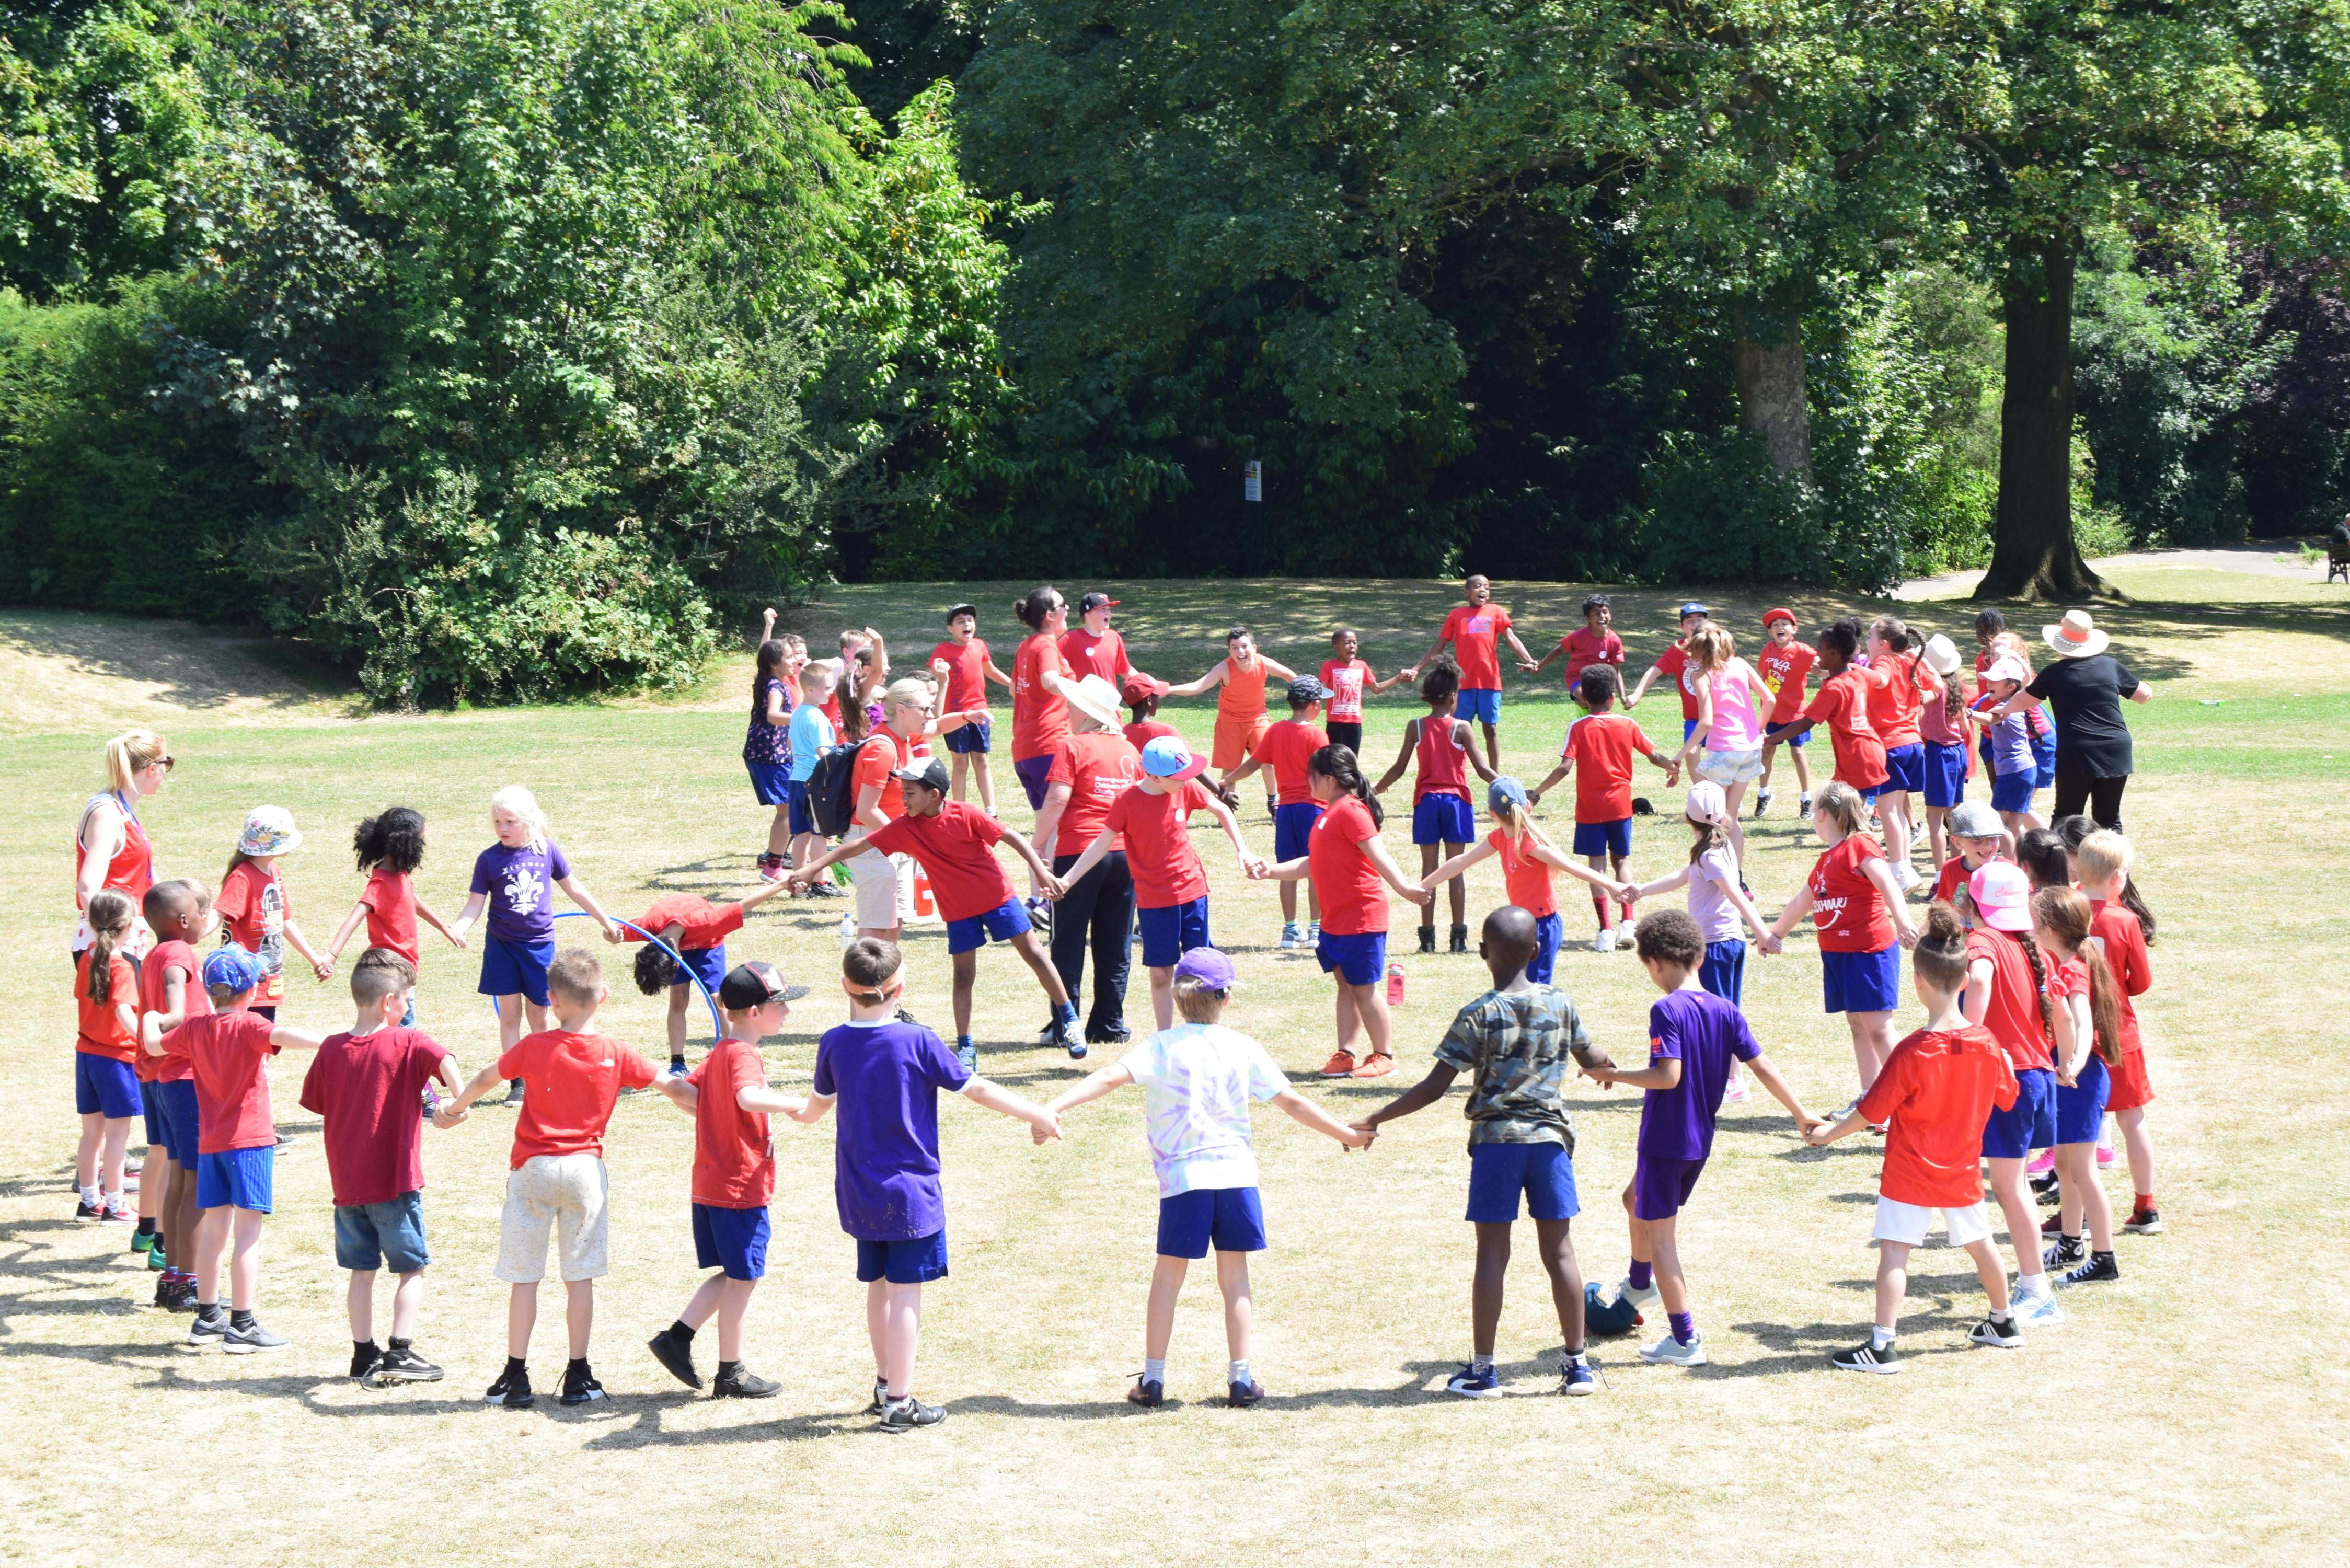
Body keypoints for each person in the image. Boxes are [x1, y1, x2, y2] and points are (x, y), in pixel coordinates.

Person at [1045, 948, 1372, 1409]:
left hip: (1185, 1181)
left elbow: (1107, 1077)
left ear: (1177, 999)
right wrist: (1347, 1135)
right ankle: (1241, 1380)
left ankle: (1153, 1381)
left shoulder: (1161, 1046)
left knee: (1168, 1279)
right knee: (1235, 1279)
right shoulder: (1243, 1047)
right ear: (1227, 998)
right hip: (1237, 1177)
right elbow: (1293, 1103)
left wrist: (1053, 1107)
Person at [802, 939, 1062, 1431]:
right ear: (900, 988)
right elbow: (976, 1088)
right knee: (906, 1292)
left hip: (858, 1190)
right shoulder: (919, 1040)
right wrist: (1038, 1113)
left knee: (879, 1286)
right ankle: (900, 1403)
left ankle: (886, 1385)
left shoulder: (833, 1042)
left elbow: (814, 1109)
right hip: (910, 1194)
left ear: (845, 988)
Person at [1349, 906, 1606, 1397]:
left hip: (1496, 1148)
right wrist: (1608, 1070)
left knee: (1492, 1254)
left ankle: (1484, 1372)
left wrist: (1377, 1117)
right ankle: (1578, 1366)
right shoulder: (1561, 1004)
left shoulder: (1478, 1014)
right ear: (1537, 951)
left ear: (1484, 952)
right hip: (1550, 1145)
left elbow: (1433, 1087)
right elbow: (1592, 1057)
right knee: (1561, 1252)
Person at [435, 949, 689, 1410]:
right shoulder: (616, 1052)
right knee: (580, 1277)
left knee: (524, 1277)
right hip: (585, 1171)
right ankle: (578, 1374)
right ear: (603, 995)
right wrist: (717, 1107)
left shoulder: (534, 1046)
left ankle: (515, 1375)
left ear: (551, 1000)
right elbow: (674, 1086)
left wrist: (453, 1109)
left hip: (533, 1168)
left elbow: (487, 1077)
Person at [1580, 910, 1818, 1369]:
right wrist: (1800, 1112)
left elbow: (1667, 1077)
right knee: (1633, 1199)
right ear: (1701, 957)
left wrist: (1612, 1074)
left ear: (1654, 963)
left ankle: (1685, 1339)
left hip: (1665, 1140)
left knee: (1662, 1240)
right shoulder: (1726, 1010)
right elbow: (1763, 1066)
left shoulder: (1666, 1009)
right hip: (1697, 1141)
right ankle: (1639, 1283)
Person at [1804, 904, 2024, 1373]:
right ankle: (2003, 1321)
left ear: (1918, 982)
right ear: (1965, 981)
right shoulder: (1987, 1044)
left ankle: (1883, 1345)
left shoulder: (1911, 1051)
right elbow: (2008, 1097)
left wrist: (1827, 1135)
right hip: (1963, 1167)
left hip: (1910, 1169)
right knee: (1981, 1242)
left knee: (1895, 1251)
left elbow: (1872, 1111)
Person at [793, 757, 1083, 1064]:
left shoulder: (966, 813)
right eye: (903, 792)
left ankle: (1070, 1020)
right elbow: (858, 846)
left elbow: (1012, 837)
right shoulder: (905, 827)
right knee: (963, 976)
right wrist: (813, 868)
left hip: (998, 897)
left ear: (934, 795)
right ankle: (966, 1046)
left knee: (1035, 955)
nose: (904, 799)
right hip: (958, 909)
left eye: (910, 793)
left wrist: (1042, 873)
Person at [647, 961, 825, 1401]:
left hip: (712, 1182)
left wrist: (715, 1112)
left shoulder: (722, 1051)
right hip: (739, 1186)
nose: (787, 1012)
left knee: (736, 1273)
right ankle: (731, 1372)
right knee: (744, 1278)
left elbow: (686, 1095)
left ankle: (678, 1338)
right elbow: (747, 1097)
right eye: (780, 1005)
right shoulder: (744, 1054)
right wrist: (796, 1104)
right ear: (754, 1012)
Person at [298, 949, 463, 1388]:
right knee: (412, 1268)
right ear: (389, 1001)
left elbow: (320, 1102)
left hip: (348, 1188)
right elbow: (446, 1060)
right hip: (395, 1184)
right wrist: (456, 1106)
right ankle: (400, 1352)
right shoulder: (406, 1040)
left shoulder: (331, 1048)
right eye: (406, 999)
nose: (408, 1008)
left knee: (362, 1271)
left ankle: (363, 1355)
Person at [1056, 736, 1265, 1032]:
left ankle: (1207, 1031)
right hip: (1155, 901)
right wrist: (1068, 879)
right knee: (1161, 974)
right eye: (1179, 776)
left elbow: (1222, 810)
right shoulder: (1127, 801)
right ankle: (1165, 1036)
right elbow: (1100, 845)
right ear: (1154, 777)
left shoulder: (1185, 788)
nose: (1186, 779)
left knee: (1202, 968)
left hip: (1193, 891)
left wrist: (1242, 850)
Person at [177, 946, 327, 1353]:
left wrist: (149, 1019)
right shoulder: (250, 1025)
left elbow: (156, 1046)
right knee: (247, 1234)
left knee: (215, 1231)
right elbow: (283, 1036)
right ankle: (242, 1325)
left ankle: (208, 1318)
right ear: (252, 990)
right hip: (250, 1142)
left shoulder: (195, 1028)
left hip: (210, 1145)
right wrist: (333, 1041)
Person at [1258, 745, 1433, 1079]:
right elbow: (1313, 863)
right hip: (1336, 919)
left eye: (1311, 776)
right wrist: (1271, 871)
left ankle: (1385, 1056)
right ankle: (1346, 1054)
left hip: (1361, 917)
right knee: (1346, 985)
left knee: (1363, 988)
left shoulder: (1352, 811)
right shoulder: (1327, 815)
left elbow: (1379, 855)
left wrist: (1404, 888)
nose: (1308, 782)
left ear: (1329, 778)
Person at [447, 787, 624, 1106]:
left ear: (528, 821)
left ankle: (542, 1076)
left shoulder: (547, 851)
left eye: (510, 822)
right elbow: (475, 903)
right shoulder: (488, 859)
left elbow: (574, 888)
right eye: (497, 822)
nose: (502, 828)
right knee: (509, 1017)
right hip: (501, 946)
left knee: (540, 1018)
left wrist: (606, 921)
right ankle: (518, 1082)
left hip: (539, 946)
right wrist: (459, 928)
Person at [1764, 782, 1920, 1103]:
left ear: (1822, 814)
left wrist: (1904, 923)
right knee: (1859, 1026)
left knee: (1879, 1028)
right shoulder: (1826, 860)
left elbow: (1888, 884)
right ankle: (1870, 1098)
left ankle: (1910, 1099)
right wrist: (1775, 934)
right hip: (1839, 954)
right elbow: (1801, 902)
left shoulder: (1860, 845)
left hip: (1868, 951)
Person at [1961, 860, 2065, 1327]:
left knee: (2009, 1188)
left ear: (1976, 905)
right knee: (2015, 1186)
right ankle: (2034, 1286)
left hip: (2009, 1080)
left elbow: (1981, 978)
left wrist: (1966, 1035)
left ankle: (2037, 1291)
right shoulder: (2032, 945)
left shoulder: (1983, 941)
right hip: (2036, 1075)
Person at [1623, 782, 1775, 1100]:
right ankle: (1730, 1080)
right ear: (1722, 815)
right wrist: (1642, 890)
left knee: (1719, 1017)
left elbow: (1738, 896)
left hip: (1717, 946)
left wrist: (1763, 933)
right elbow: (1683, 876)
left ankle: (1732, 1082)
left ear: (1687, 818)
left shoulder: (1711, 855)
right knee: (1726, 1012)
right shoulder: (1715, 850)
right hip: (1726, 943)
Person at [1421, 777, 1632, 986]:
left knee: (1536, 988)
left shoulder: (1529, 844)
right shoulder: (1499, 838)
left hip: (1543, 926)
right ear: (1527, 807)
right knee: (1518, 986)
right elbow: (1462, 861)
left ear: (1491, 812)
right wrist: (1424, 886)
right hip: (1520, 925)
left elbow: (1572, 867)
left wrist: (1612, 886)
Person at [1528, 664, 1677, 953]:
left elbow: (1564, 768)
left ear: (1584, 697)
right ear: (1612, 697)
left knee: (1597, 865)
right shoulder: (1627, 724)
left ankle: (1606, 930)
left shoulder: (1578, 727)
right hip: (1620, 806)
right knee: (1622, 861)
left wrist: (1536, 793)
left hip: (1589, 808)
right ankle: (1628, 923)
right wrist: (1672, 767)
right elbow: (1653, 755)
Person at [1032, 675, 1143, 1048]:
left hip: (1078, 851)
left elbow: (1057, 799)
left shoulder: (1073, 746)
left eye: (1072, 705)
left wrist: (1038, 843)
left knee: (1067, 940)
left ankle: (1067, 1023)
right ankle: (1109, 1023)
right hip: (1124, 855)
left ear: (1085, 712)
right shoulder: (1130, 750)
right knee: (1116, 941)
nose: (1067, 711)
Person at [832, 677, 983, 946]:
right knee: (875, 930)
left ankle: (888, 973)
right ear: (901, 710)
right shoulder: (882, 749)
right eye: (924, 709)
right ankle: (863, 974)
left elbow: (938, 727)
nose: (930, 715)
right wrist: (910, 840)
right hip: (871, 844)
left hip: (891, 842)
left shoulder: (904, 737)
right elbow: (867, 811)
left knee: (893, 926)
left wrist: (966, 717)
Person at [2032, 886, 2125, 1288]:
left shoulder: (2071, 970)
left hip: (2078, 1080)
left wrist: (2076, 1060)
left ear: (2049, 929)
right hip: (2069, 1076)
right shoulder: (2069, 961)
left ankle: (2104, 1259)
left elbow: (2081, 1021)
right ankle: (2070, 1243)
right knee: (2065, 1166)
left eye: (2034, 921)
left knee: (2084, 1171)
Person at [1372, 660, 1496, 955]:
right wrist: (1509, 787)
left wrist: (1372, 791)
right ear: (1453, 696)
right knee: (1456, 869)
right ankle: (1458, 940)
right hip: (1456, 802)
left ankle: (1426, 940)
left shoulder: (1415, 726)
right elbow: (1482, 770)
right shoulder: (1462, 727)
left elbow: (1399, 769)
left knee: (1429, 870)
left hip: (1427, 802)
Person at [1993, 610, 2150, 831]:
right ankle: (2113, 855)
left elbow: (2022, 701)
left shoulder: (2055, 673)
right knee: (2109, 819)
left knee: (2066, 816)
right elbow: (2143, 696)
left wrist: (2002, 710)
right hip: (2115, 749)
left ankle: (2060, 855)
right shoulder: (2110, 666)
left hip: (2077, 752)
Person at [2077, 830, 2160, 1235]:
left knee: (2079, 1131)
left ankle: (2080, 1213)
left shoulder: (2062, 913)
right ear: (2116, 878)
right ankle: (2146, 1207)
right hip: (2119, 1034)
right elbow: (2141, 982)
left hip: (2073, 1035)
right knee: (2133, 1121)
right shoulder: (2126, 920)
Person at [624, 878, 791, 1071]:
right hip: (673, 939)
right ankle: (677, 1063)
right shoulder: (646, 928)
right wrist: (612, 934)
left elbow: (744, 905)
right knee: (678, 999)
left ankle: (736, 1056)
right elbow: (612, 930)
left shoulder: (707, 921)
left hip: (707, 944)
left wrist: (783, 884)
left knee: (718, 1000)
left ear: (677, 962)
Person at [137, 879, 212, 1309]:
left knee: (179, 1180)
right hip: (186, 1078)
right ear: (184, 920)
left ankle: (172, 1278)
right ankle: (188, 1282)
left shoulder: (154, 954)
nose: (205, 919)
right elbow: (177, 1010)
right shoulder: (179, 953)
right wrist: (170, 1018)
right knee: (197, 1184)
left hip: (167, 1080)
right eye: (201, 913)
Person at [325, 808, 463, 1023]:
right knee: (405, 1029)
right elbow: (354, 918)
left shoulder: (400, 874)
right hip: (392, 971)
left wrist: (444, 928)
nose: (422, 845)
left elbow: (410, 899)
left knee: (399, 1029)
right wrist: (331, 956)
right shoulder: (380, 884)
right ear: (406, 842)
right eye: (420, 840)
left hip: (405, 968)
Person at [1223, 676, 1330, 948]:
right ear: (1315, 705)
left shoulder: (1275, 731)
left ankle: (1290, 929)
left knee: (1285, 870)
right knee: (1317, 868)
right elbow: (1329, 773)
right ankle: (1316, 929)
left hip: (1285, 812)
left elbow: (1253, 764)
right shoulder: (1317, 735)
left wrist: (1227, 781)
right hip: (1314, 809)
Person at [1408, 574, 1537, 769]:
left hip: (1490, 683)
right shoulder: (1457, 615)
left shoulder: (1496, 611)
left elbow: (1511, 638)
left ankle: (1494, 776)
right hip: (1463, 685)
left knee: (1490, 729)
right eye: (1477, 586)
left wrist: (1529, 660)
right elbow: (1439, 644)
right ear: (1467, 592)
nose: (1483, 590)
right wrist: (1417, 668)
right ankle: (1455, 772)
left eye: (1487, 587)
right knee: (1458, 730)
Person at [1166, 626, 1298, 812]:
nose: (1240, 652)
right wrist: (1168, 690)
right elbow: (1198, 686)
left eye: (1244, 646)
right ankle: (1227, 806)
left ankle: (1273, 802)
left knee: (1267, 761)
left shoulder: (1264, 663)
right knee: (1230, 767)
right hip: (1230, 722)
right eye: (1235, 648)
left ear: (1254, 648)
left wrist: (1307, 688)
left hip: (1257, 718)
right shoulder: (1224, 668)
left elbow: (1290, 676)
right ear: (1229, 651)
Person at [216, 805, 331, 1017]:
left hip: (268, 980)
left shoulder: (274, 871)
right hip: (245, 983)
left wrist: (315, 959)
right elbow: (219, 914)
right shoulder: (241, 878)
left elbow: (284, 921)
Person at [1672, 623, 1773, 861]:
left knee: (1709, 817)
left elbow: (1705, 722)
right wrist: (1758, 728)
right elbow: (1770, 699)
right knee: (1730, 816)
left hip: (1724, 751)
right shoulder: (1741, 665)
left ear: (1698, 650)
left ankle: (1711, 869)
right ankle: (1736, 873)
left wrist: (1680, 755)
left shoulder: (1701, 676)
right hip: (1750, 750)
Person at [72, 890, 143, 1226]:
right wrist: (148, 1040)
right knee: (117, 1137)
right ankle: (116, 1205)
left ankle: (90, 1203)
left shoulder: (88, 958)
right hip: (116, 1061)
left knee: (92, 1135)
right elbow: (124, 1013)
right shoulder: (123, 967)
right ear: (128, 926)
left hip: (87, 1055)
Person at [1762, 617, 1889, 803]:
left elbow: (1804, 724)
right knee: (1843, 809)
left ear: (1834, 653)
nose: (1817, 653)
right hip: (1868, 750)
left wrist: (1768, 739)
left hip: (1857, 757)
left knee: (1842, 811)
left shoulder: (1833, 689)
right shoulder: (1857, 672)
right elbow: (1883, 681)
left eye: (1820, 648)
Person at [74, 729, 168, 963]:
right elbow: (88, 887)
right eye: (167, 763)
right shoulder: (107, 815)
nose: (166, 772)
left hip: (127, 937)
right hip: (111, 943)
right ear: (152, 768)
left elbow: (142, 872)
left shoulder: (121, 811)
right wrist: (109, 945)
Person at [1862, 616, 1929, 890]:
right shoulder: (1910, 662)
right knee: (1898, 811)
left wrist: (1851, 671)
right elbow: (1937, 687)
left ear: (1883, 643)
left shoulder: (1885, 661)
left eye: (1870, 637)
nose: (1866, 642)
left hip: (1890, 745)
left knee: (1888, 810)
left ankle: (1898, 871)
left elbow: (1881, 680)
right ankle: (1904, 869)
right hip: (1912, 743)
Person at [930, 602, 1013, 813]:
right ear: (951, 629)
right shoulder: (943, 650)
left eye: (970, 620)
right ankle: (960, 809)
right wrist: (939, 670)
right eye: (961, 621)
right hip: (955, 715)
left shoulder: (979, 645)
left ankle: (991, 810)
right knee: (960, 763)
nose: (967, 624)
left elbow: (990, 670)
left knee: (981, 759)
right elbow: (933, 674)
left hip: (980, 711)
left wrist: (1012, 684)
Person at [1010, 585, 1079, 814]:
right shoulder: (1046, 644)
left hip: (1025, 750)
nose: (1068, 609)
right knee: (1063, 823)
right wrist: (1087, 693)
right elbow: (1049, 681)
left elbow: (1013, 690)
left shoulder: (1026, 645)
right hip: (1049, 746)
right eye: (1063, 606)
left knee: (1046, 824)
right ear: (1050, 615)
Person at [1968, 655, 2045, 839]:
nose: (1988, 683)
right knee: (2014, 823)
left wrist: (1970, 713)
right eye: (1989, 680)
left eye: (1994, 681)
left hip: (2014, 772)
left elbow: (1992, 719)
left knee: (1999, 822)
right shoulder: (2012, 705)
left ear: (2010, 687)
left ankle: (2013, 856)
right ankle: (2021, 855)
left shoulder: (2006, 708)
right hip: (2021, 770)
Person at [1915, 635, 1972, 885]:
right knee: (1954, 817)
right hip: (1958, 752)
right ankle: (1957, 871)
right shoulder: (1956, 687)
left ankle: (1940, 877)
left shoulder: (1932, 691)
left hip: (1938, 754)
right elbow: (1966, 728)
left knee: (1935, 819)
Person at [745, 629, 797, 879]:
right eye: (789, 657)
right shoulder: (775, 685)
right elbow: (773, 716)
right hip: (770, 757)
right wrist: (802, 717)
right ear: (775, 664)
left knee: (788, 809)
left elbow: (763, 654)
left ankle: (773, 864)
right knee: (789, 811)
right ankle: (773, 867)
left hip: (764, 754)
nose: (794, 661)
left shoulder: (768, 680)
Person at [1753, 609, 1815, 817]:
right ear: (1770, 632)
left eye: (1785, 624)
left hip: (1795, 714)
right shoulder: (1768, 649)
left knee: (1798, 753)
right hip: (1771, 713)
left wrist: (1824, 670)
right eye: (1775, 625)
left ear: (1794, 630)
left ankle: (1806, 799)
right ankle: (1764, 794)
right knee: (1766, 752)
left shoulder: (1803, 651)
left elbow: (1821, 664)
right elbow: (1760, 674)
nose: (1780, 627)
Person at [785, 662, 840, 887]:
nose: (831, 691)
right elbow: (823, 751)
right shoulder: (817, 717)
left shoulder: (798, 713)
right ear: (810, 689)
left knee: (801, 834)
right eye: (827, 688)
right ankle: (820, 882)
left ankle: (798, 882)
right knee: (819, 834)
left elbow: (790, 744)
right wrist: (838, 771)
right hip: (814, 782)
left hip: (796, 779)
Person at [1625, 602, 1710, 746]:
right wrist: (1637, 694)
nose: (1696, 624)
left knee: (1721, 756)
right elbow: (1655, 670)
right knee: (1691, 752)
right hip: (1694, 718)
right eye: (1690, 621)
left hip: (1720, 716)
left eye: (1700, 620)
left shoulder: (1716, 646)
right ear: (1681, 626)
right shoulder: (1678, 650)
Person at [1318, 626, 1411, 757]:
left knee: (1352, 759)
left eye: (1355, 643)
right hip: (1335, 723)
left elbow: (1376, 688)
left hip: (1355, 723)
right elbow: (1322, 688)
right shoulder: (1329, 666)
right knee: (1335, 759)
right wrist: (1317, 690)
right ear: (1336, 646)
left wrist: (1398, 678)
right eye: (1347, 643)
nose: (1352, 646)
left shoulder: (1361, 665)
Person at [1530, 593, 1625, 694]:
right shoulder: (1578, 636)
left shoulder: (1615, 640)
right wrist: (1540, 666)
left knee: (1605, 699)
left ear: (1611, 614)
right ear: (1588, 618)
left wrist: (1623, 696)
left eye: (1605, 612)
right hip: (1577, 678)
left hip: (1600, 681)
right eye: (1597, 613)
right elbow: (1560, 650)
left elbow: (1616, 671)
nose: (1602, 617)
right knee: (1586, 697)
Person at [1932, 800, 2012, 905]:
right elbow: (1942, 907)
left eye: (1993, 838)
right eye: (1976, 839)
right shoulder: (1950, 868)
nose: (1987, 845)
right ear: (1957, 842)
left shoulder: (2009, 869)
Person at [1059, 591, 1134, 686]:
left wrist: (1148, 683)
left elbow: (1125, 670)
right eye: (1103, 609)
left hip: (1109, 696)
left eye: (1109, 609)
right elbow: (1055, 671)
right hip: (1082, 695)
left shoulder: (1114, 637)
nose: (1108, 613)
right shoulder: (1070, 640)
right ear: (1088, 614)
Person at [1122, 672, 1178, 753]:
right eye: (1157, 696)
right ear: (1149, 700)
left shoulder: (1122, 735)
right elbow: (1187, 758)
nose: (1159, 699)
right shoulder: (1166, 732)